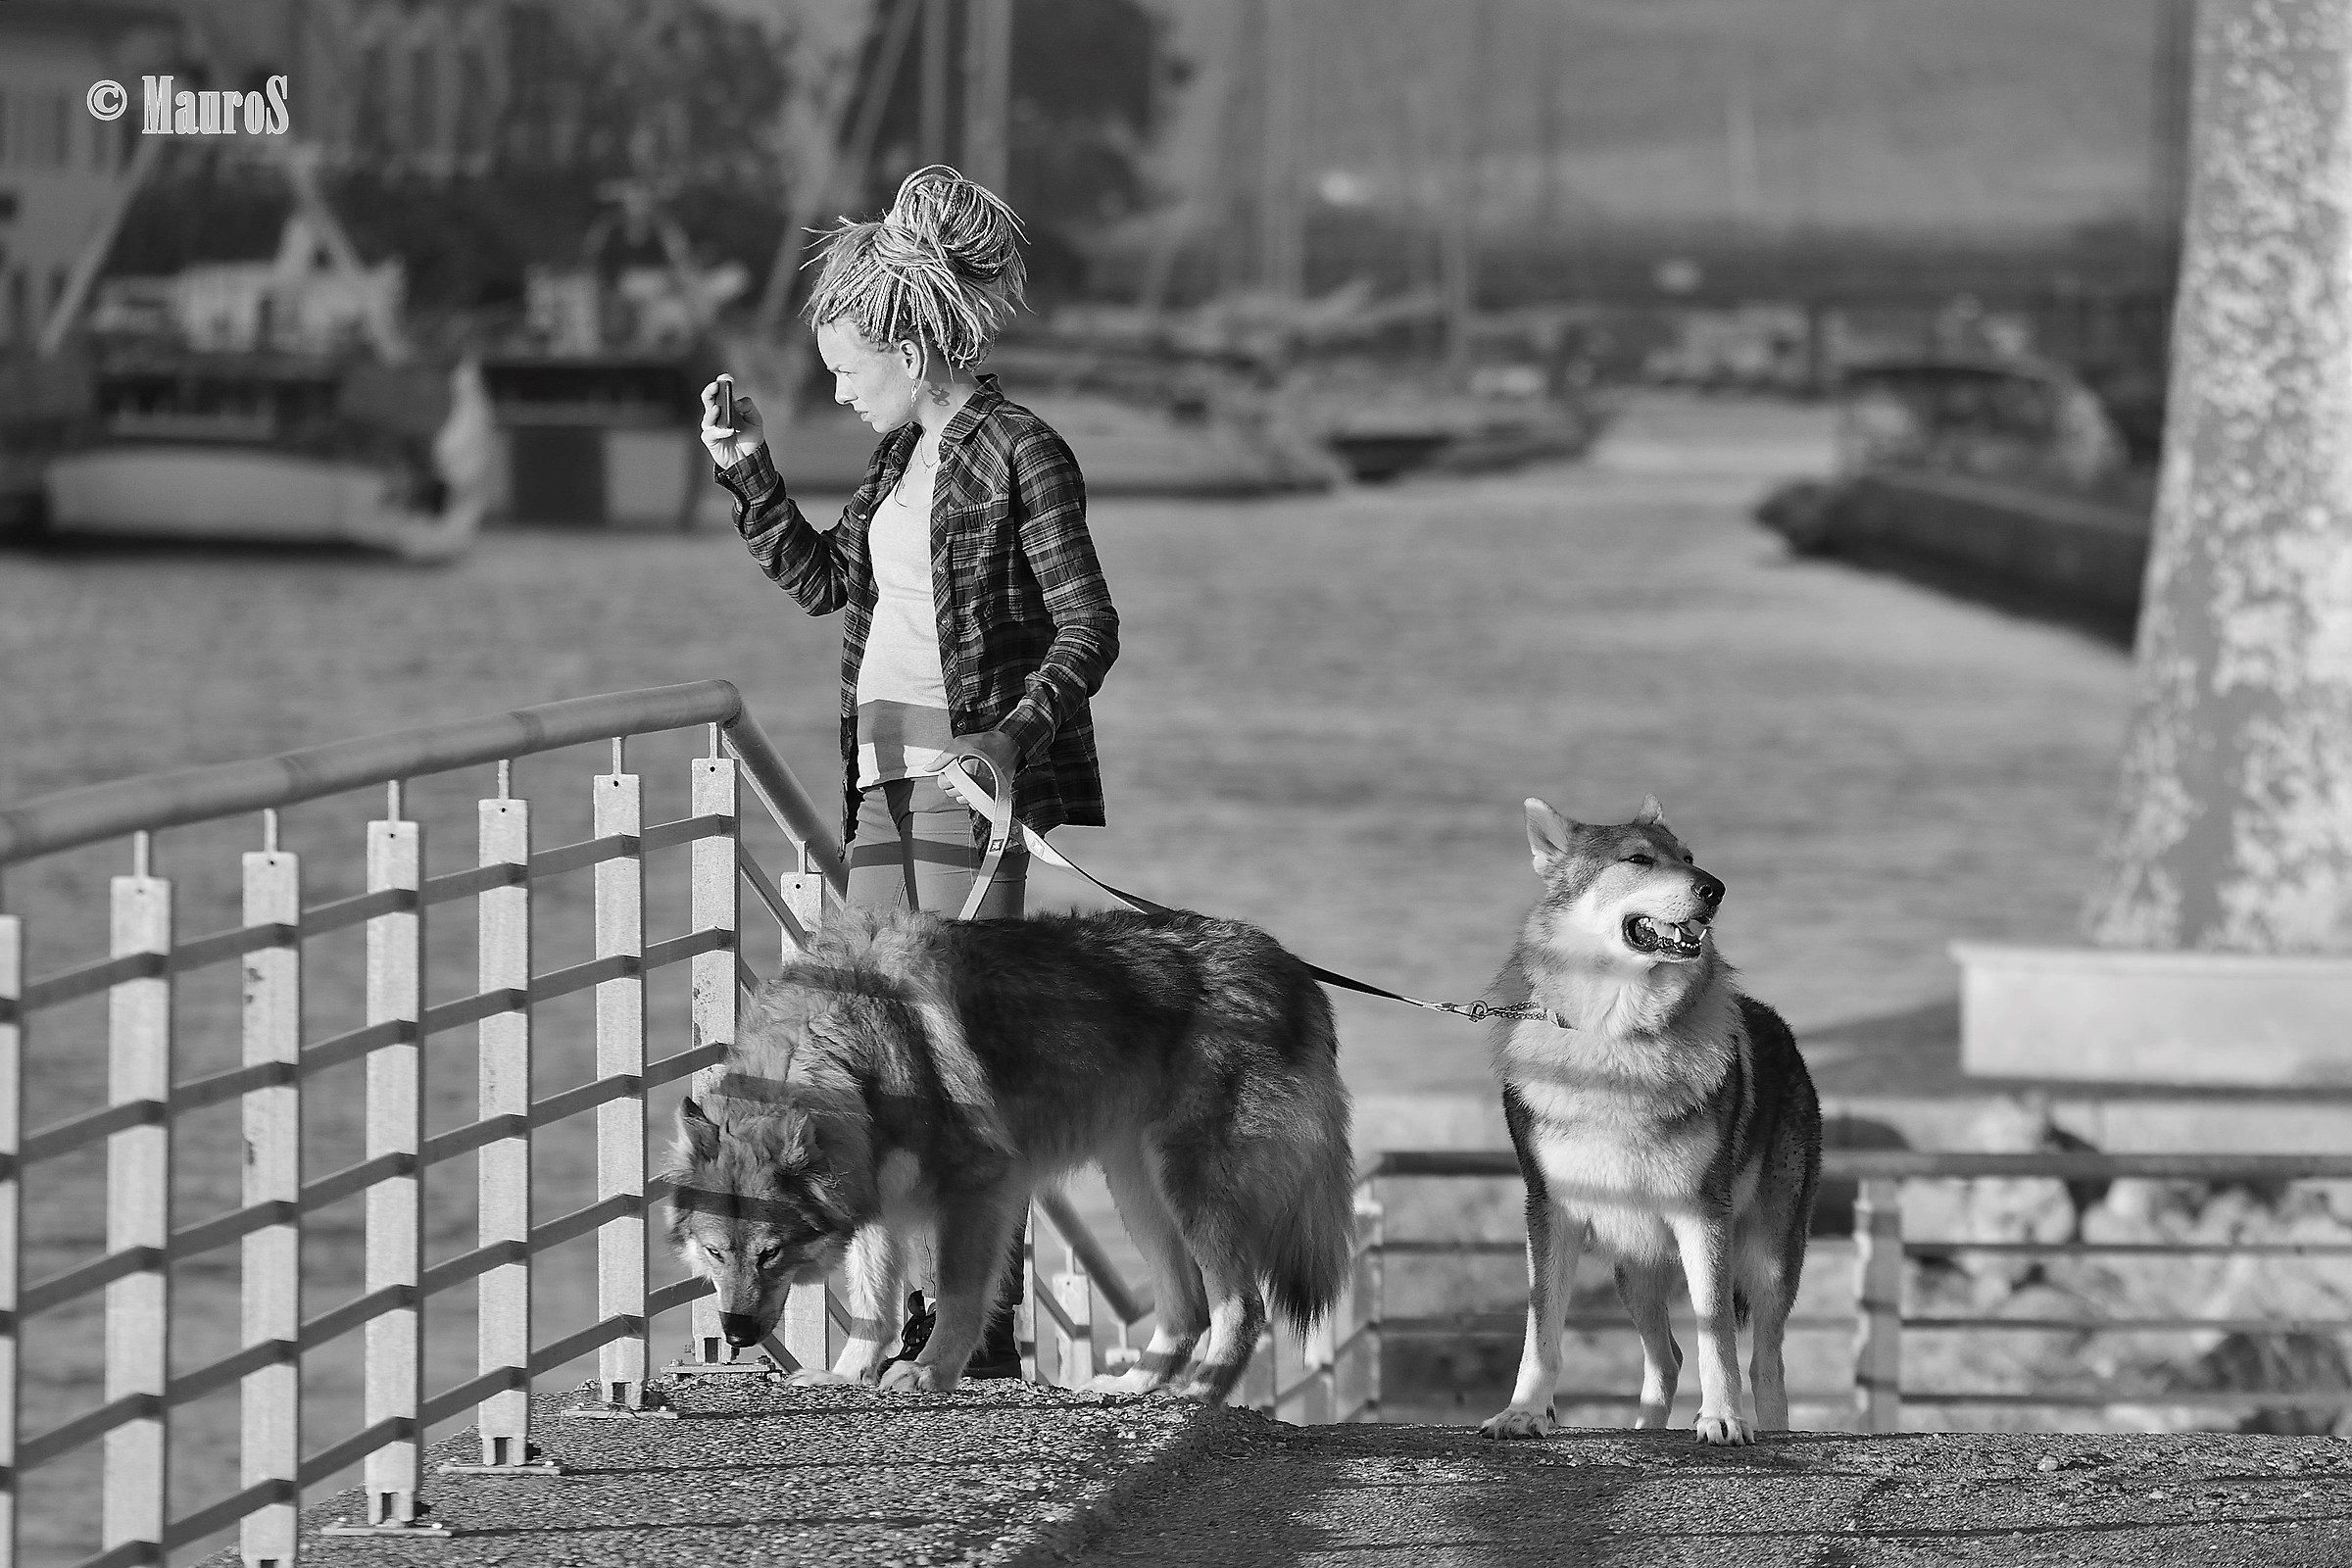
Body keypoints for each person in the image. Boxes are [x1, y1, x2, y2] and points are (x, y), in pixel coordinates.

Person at [698, 166, 1119, 1382]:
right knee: (881, 1057)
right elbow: (833, 585)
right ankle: (898, 1323)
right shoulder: (897, 463)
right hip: (875, 785)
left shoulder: (1021, 453)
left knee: (968, 1061)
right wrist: (747, 469)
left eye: (846, 365)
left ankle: (975, 1328)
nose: (834, 386)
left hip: (966, 791)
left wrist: (1008, 736)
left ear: (907, 338)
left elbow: (1088, 628)